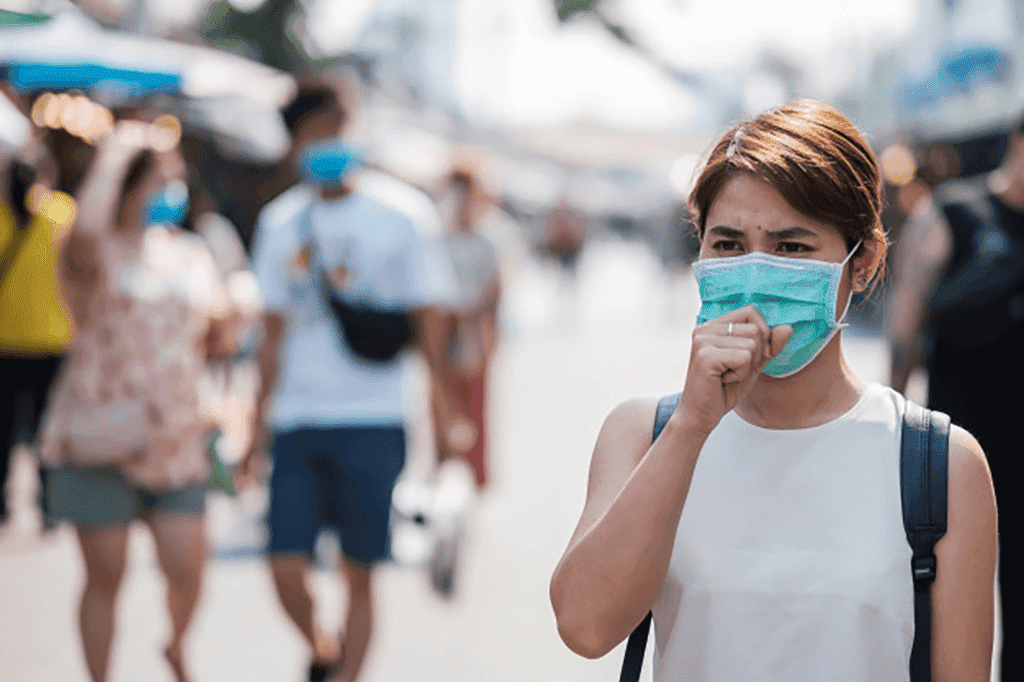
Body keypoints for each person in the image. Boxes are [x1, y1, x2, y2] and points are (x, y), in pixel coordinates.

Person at [550, 100, 997, 681]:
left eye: (792, 247)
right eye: (729, 245)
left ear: (861, 265)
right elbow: (585, 626)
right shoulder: (645, 433)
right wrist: (691, 426)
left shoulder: (939, 464)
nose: (756, 273)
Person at [243, 82, 458, 682]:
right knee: (285, 564)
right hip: (297, 418)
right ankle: (322, 645)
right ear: (294, 144)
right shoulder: (280, 222)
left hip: (376, 416)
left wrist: (443, 418)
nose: (331, 143)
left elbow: (431, 328)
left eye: (339, 127)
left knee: (360, 571)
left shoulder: (405, 214)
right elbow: (271, 334)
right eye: (316, 133)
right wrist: (253, 426)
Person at [38, 119, 239, 682]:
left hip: (175, 440)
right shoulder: (91, 251)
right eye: (161, 179)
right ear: (127, 186)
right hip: (99, 434)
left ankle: (175, 644)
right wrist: (117, 150)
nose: (171, 190)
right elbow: (82, 243)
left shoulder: (190, 254)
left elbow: (217, 331)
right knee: (106, 576)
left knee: (187, 566)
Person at [888, 122, 1024, 679]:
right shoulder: (954, 212)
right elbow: (905, 323)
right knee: (945, 617)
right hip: (961, 457)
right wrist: (886, 424)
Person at [0, 90, 76, 531]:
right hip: (53, 340)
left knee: (4, 430)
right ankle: (50, 505)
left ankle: (3, 503)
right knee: (48, 432)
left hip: (6, 340)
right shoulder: (62, 213)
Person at [431, 166, 501, 490]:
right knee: (441, 399)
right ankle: (445, 465)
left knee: (474, 403)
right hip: (442, 327)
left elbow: (495, 289)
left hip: (472, 327)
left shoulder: (488, 241)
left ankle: (473, 476)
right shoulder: (437, 237)